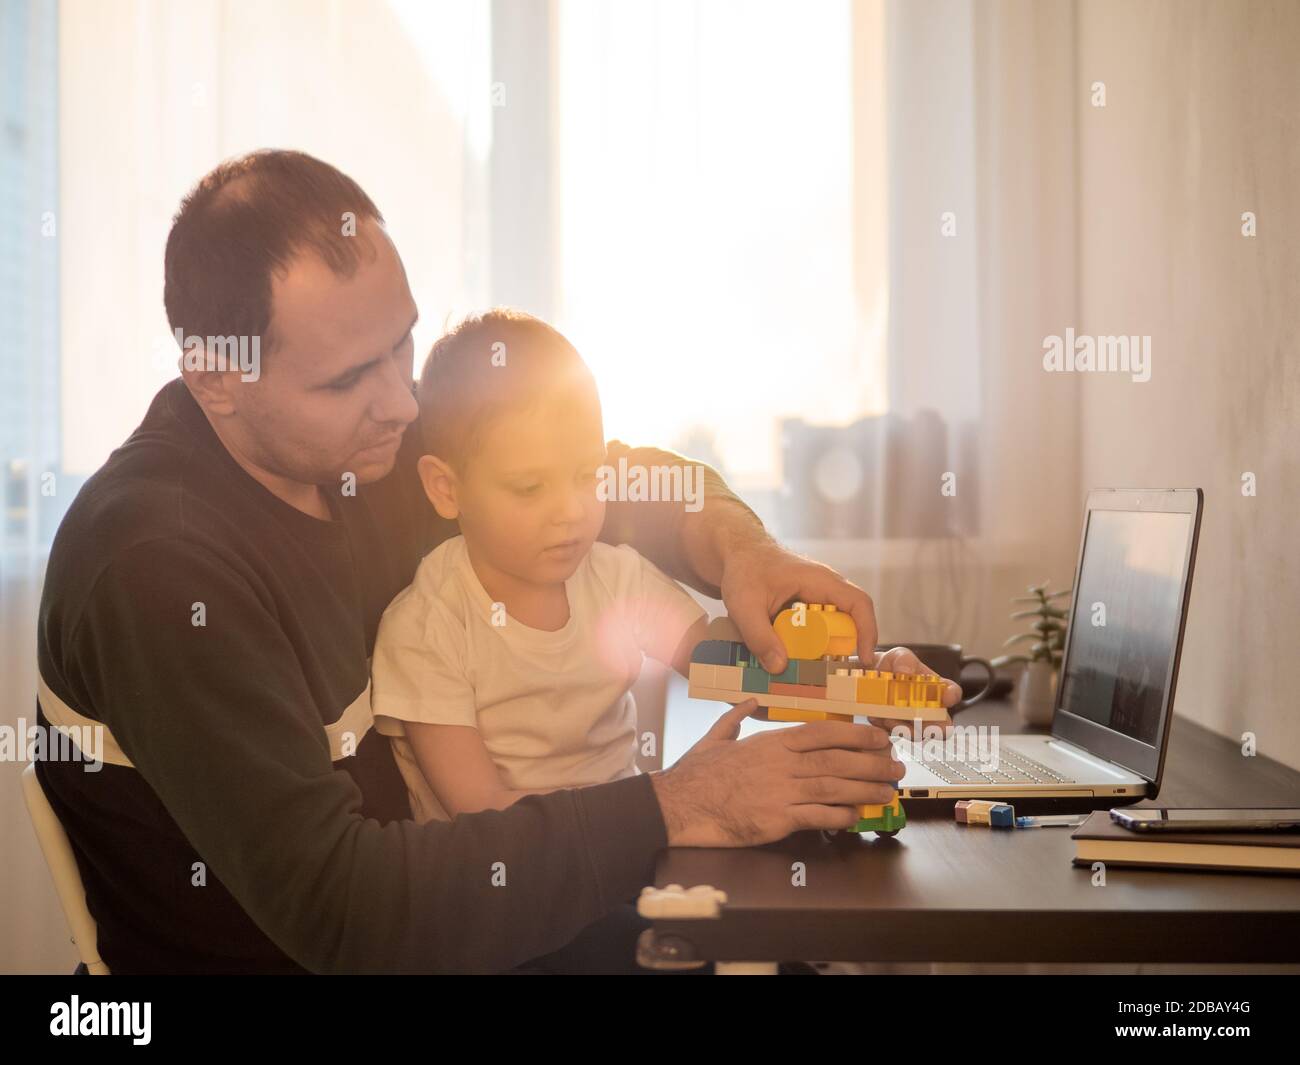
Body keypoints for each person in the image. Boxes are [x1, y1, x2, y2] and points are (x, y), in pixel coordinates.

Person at [34, 149, 959, 974]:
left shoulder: (368, 453)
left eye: (401, 343)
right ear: (214, 378)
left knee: (788, 925)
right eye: (349, 377)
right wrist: (677, 807)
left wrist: (747, 554)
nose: (402, 401)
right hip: (343, 953)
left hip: (470, 921)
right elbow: (343, 910)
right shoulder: (160, 566)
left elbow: (610, 482)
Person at [371, 309, 712, 823]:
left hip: (628, 855)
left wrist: (853, 673)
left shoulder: (618, 579)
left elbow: (723, 666)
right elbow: (482, 817)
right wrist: (671, 809)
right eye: (531, 488)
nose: (572, 511)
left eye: (588, 476)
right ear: (446, 488)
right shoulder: (426, 627)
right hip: (499, 886)